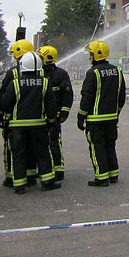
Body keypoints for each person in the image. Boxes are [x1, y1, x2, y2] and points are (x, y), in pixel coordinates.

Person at [0, 51, 61, 194]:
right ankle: (47, 182)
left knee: (18, 155)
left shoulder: (15, 83)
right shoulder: (45, 82)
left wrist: (0, 116)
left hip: (17, 127)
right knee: (43, 153)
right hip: (38, 126)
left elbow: (5, 103)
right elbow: (51, 105)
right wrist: (51, 122)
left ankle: (19, 185)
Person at [78, 40, 126, 186]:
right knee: (110, 146)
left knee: (97, 148)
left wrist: (81, 116)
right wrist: (116, 112)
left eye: (91, 54)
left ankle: (101, 177)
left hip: (95, 120)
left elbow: (87, 97)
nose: (89, 57)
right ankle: (113, 174)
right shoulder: (117, 71)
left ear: (96, 56)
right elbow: (121, 95)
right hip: (112, 119)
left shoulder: (93, 73)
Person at [0, 39, 37, 187]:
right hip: (36, 120)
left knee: (12, 150)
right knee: (31, 149)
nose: (14, 57)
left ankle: (11, 177)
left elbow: (4, 97)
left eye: (15, 54)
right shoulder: (40, 73)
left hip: (14, 120)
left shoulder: (12, 74)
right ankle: (31, 176)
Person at [39, 45, 73, 181]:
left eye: (41, 57)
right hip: (39, 116)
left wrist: (64, 112)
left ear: (47, 58)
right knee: (40, 143)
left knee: (54, 142)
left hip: (55, 116)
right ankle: (43, 169)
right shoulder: (37, 73)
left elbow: (68, 94)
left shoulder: (61, 74)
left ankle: (58, 169)